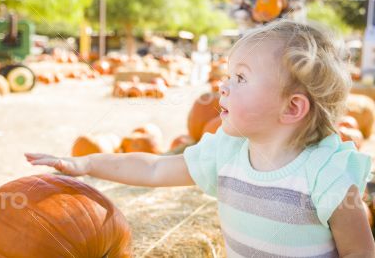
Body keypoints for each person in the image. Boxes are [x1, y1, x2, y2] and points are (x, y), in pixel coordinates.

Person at [25, 20, 375, 257]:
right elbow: (153, 170)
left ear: (292, 107)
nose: (223, 86)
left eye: (241, 78)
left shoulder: (326, 175)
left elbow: (359, 251)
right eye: (227, 75)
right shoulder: (227, 152)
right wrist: (86, 164)